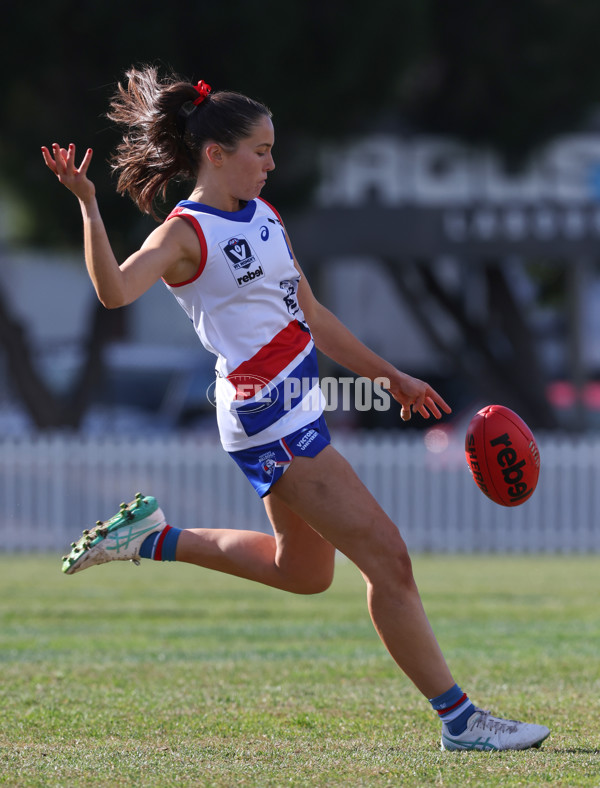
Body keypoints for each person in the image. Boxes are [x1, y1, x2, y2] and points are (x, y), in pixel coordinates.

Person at [42, 65, 549, 752]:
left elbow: (309, 312)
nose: (272, 163)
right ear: (216, 155)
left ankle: (151, 538)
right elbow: (113, 293)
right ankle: (461, 720)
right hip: (265, 417)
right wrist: (89, 207)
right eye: (261, 150)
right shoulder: (182, 233)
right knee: (389, 560)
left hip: (297, 407)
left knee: (303, 574)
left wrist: (389, 374)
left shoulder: (265, 216)